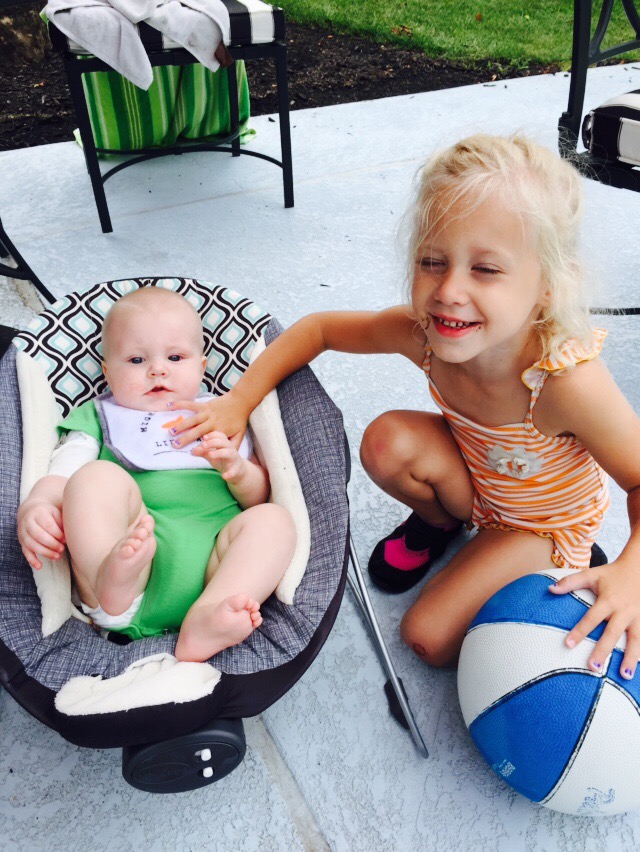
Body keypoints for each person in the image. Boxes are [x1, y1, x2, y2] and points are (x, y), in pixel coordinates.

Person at [165, 134, 640, 679]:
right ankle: (440, 523)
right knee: (385, 441)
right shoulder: (423, 335)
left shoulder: (565, 382)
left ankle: (557, 574)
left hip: (542, 528)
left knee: (426, 639)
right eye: (432, 261)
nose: (449, 290)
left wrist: (632, 574)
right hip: (477, 489)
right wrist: (238, 400)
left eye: (486, 269)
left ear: (549, 286)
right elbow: (318, 330)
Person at [17, 287, 296, 663]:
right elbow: (62, 475)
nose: (157, 370)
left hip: (214, 570)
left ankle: (205, 620)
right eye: (136, 359)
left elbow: (259, 496)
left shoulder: (223, 413)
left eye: (175, 357)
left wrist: (237, 471)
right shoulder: (100, 417)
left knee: (275, 520)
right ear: (107, 372)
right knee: (94, 477)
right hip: (128, 576)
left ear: (202, 367)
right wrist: (37, 503)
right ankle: (108, 575)